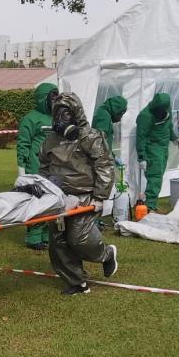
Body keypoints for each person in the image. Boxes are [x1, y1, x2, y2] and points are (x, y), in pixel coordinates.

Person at [39, 92, 119, 295]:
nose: (62, 119)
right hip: (59, 197)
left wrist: (100, 196)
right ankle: (77, 282)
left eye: (67, 114)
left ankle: (106, 254)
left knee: (78, 238)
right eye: (59, 114)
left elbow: (104, 165)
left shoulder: (90, 137)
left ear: (76, 113)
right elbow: (45, 167)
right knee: (57, 242)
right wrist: (46, 191)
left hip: (85, 195)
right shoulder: (50, 140)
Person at [16, 82, 59, 250]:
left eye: (57, 96)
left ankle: (45, 235)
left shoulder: (57, 117)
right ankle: (33, 238)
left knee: (51, 199)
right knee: (36, 200)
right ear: (43, 99)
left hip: (54, 166)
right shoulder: (30, 119)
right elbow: (23, 144)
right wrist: (21, 169)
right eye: (52, 96)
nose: (55, 100)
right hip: (35, 167)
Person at [136, 93, 179, 211]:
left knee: (159, 176)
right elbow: (141, 137)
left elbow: (168, 126)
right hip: (153, 149)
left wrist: (174, 137)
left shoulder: (166, 108)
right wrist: (141, 157)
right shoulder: (145, 116)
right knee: (155, 177)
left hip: (164, 148)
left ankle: (151, 203)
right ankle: (149, 206)